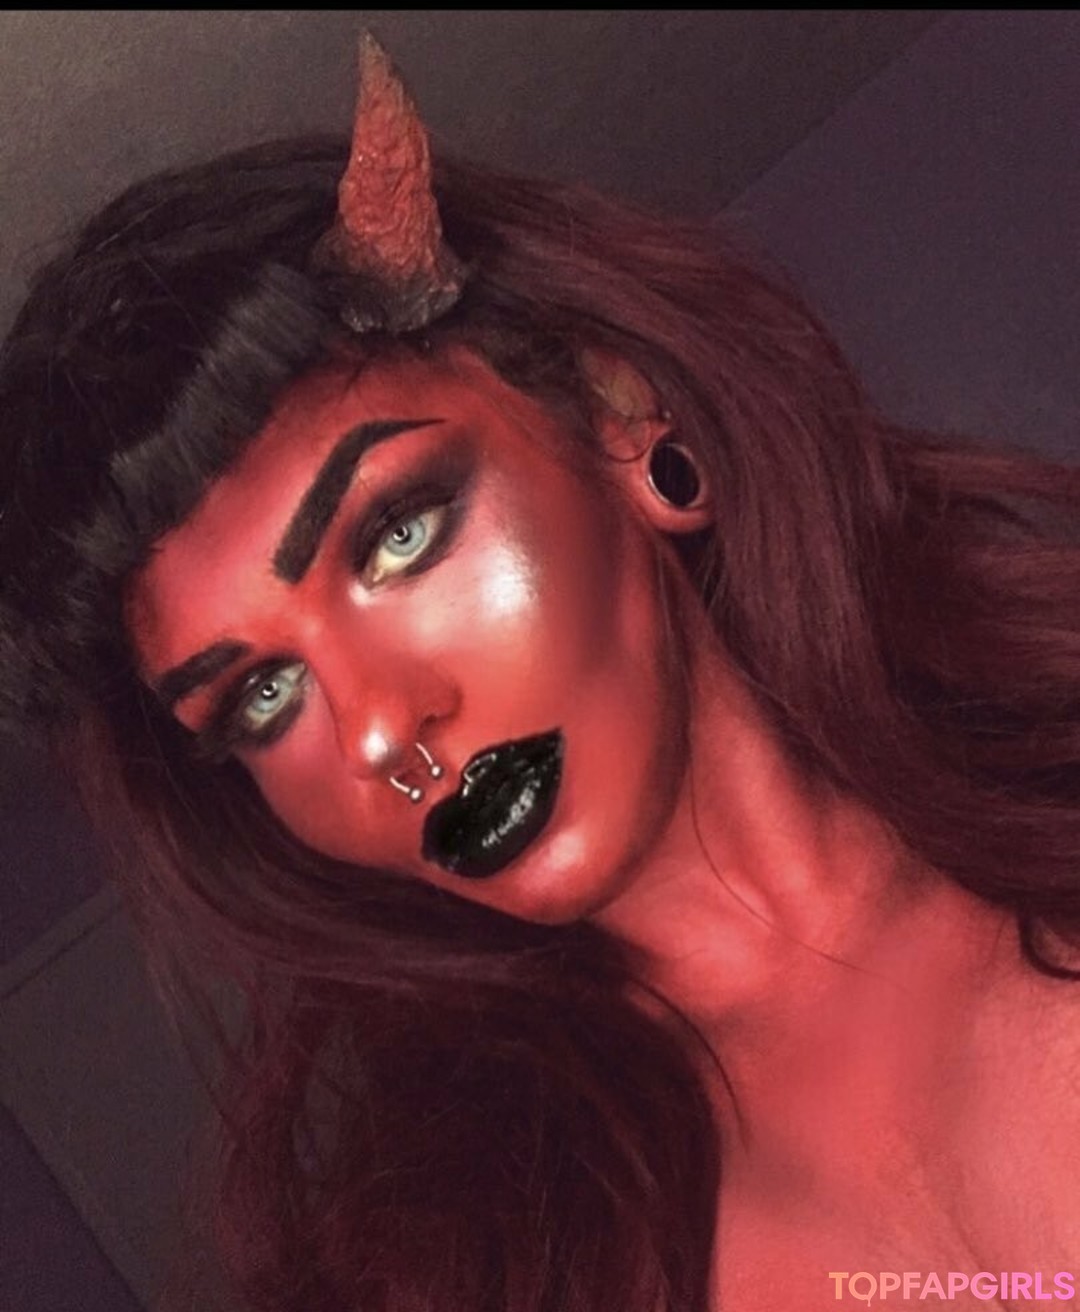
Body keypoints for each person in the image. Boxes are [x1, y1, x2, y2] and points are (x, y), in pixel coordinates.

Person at [2, 34, 1078, 1312]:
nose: (378, 732)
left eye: (398, 537)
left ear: (618, 416)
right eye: (263, 698)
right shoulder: (457, 1272)